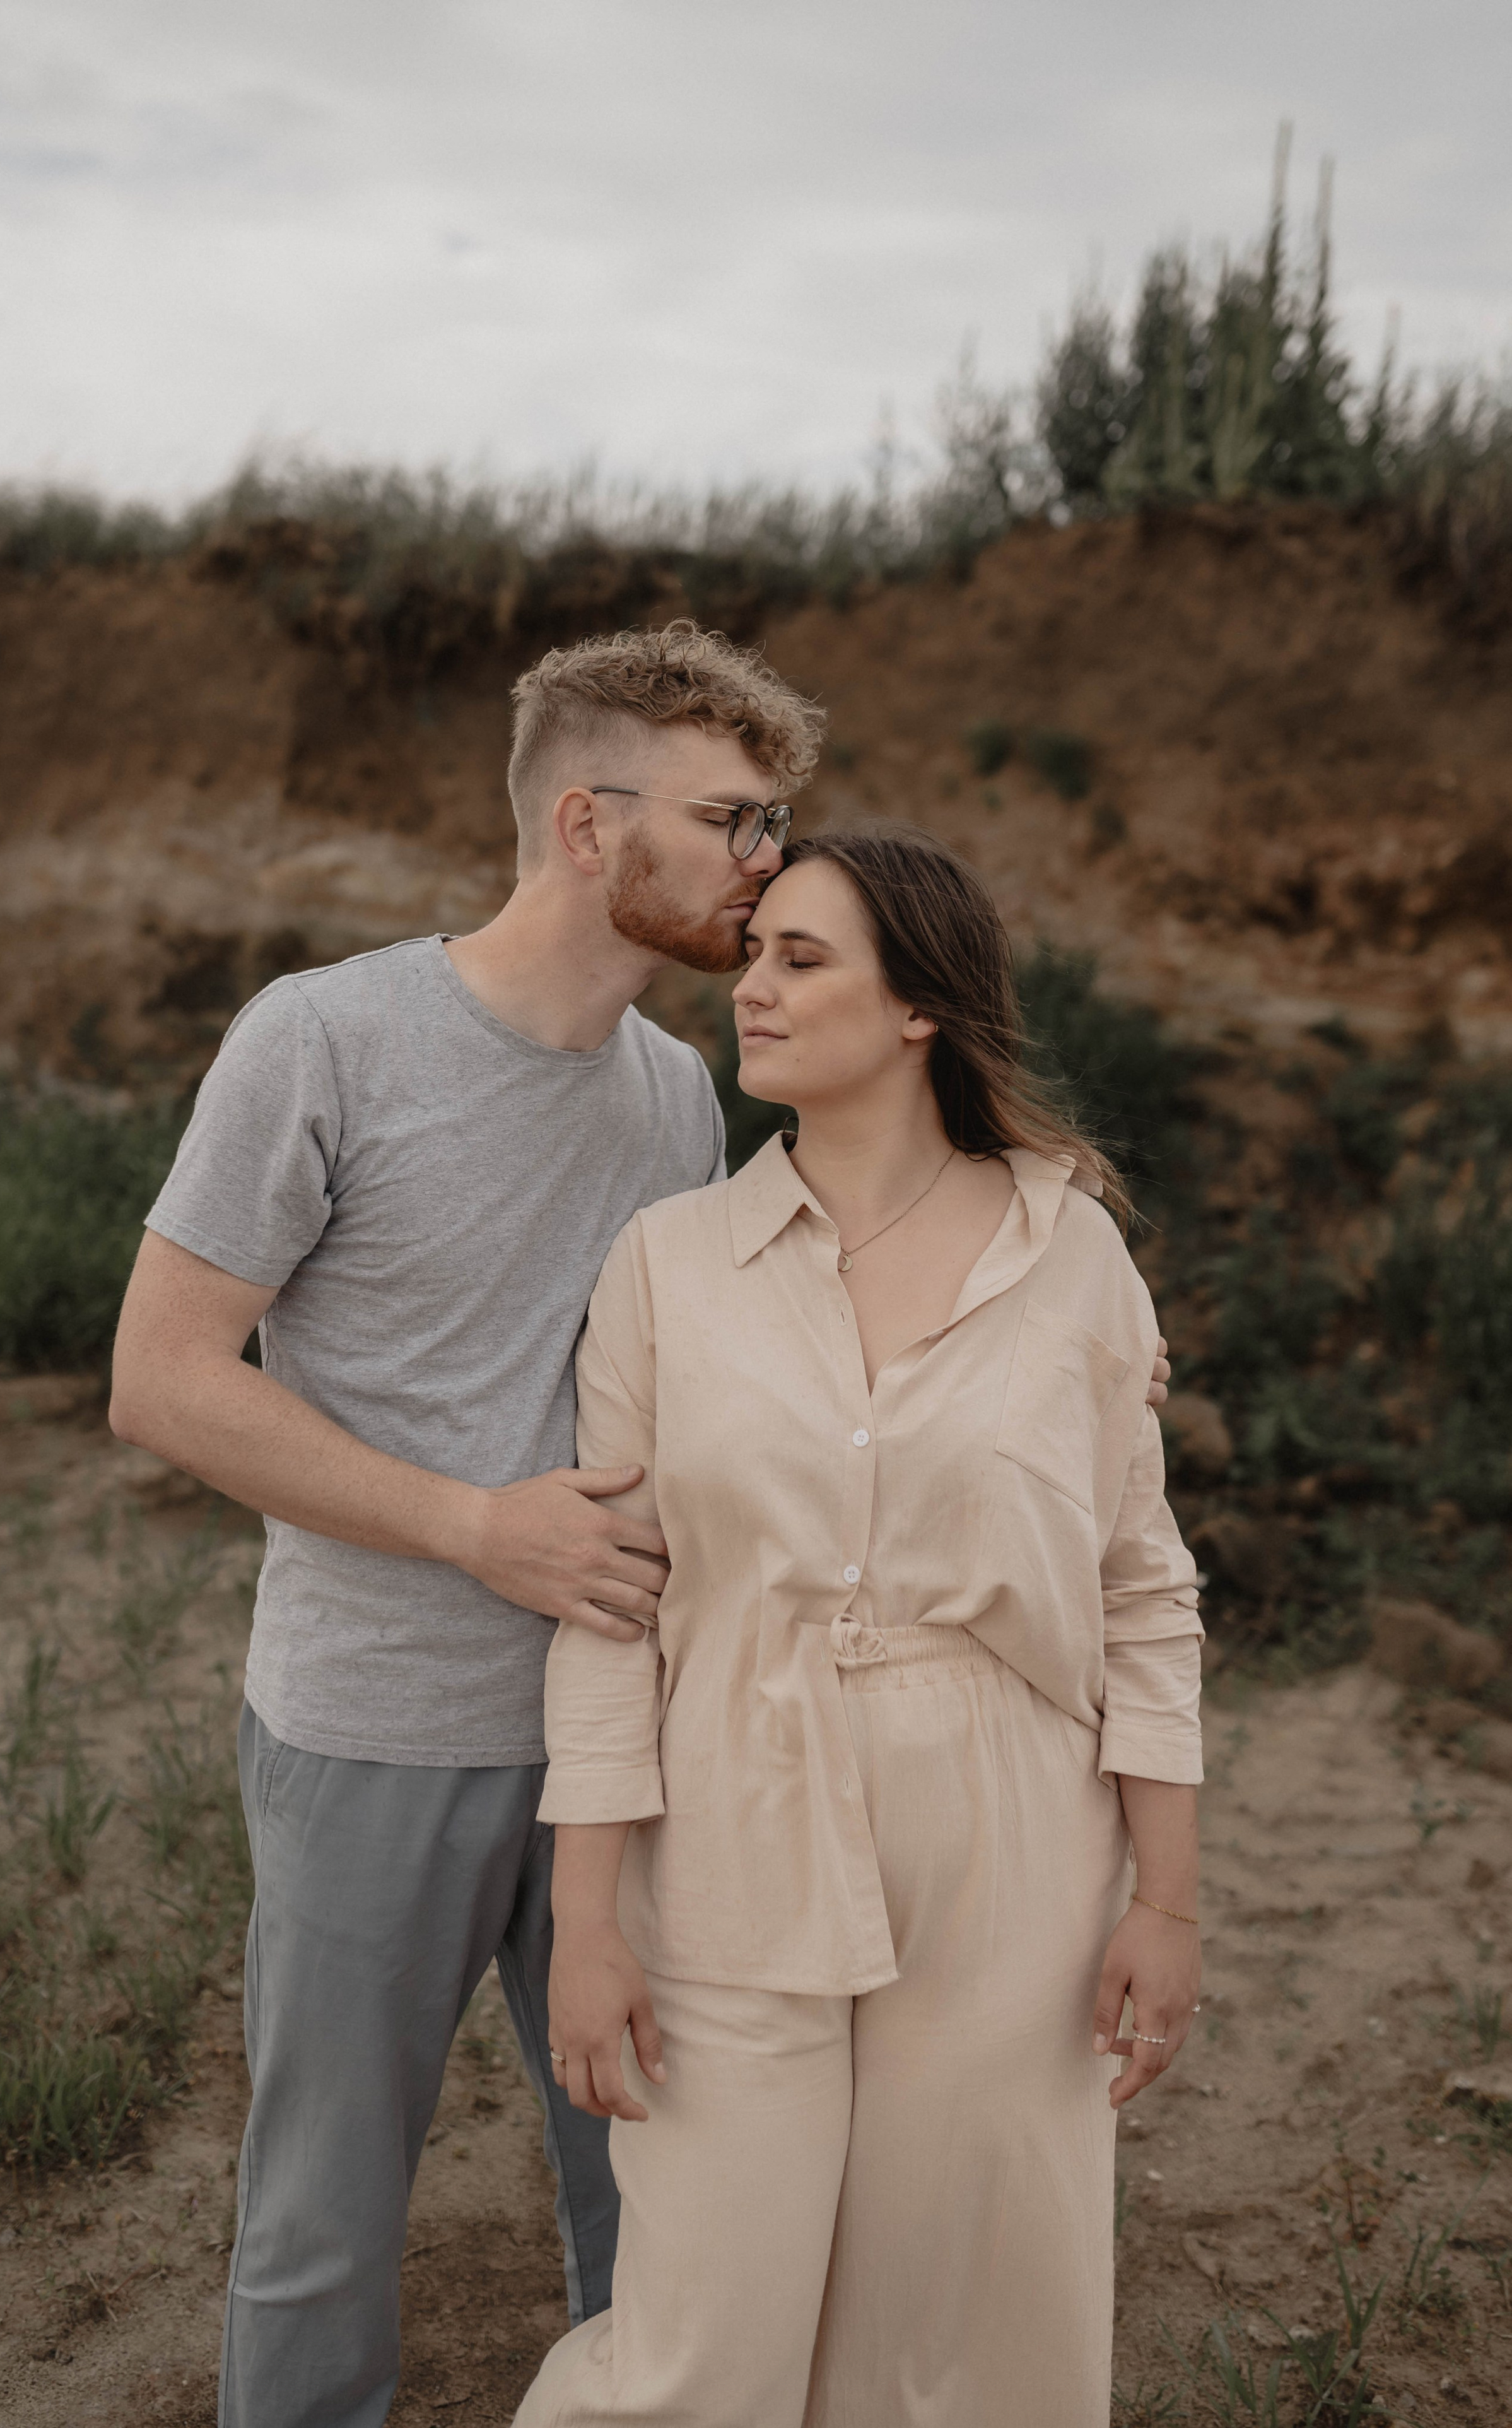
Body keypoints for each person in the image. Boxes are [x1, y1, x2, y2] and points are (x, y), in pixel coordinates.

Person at [107, 620, 828, 2428]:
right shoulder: (327, 1039)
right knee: (326, 2220)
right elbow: (164, 1378)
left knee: (649, 2191)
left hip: (618, 1748)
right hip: (375, 1731)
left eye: (774, 827)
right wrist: (468, 1528)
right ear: (588, 826)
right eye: (735, 821)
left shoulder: (678, 1100)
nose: (769, 862)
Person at [519, 827, 1204, 2428]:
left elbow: (1138, 1589)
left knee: (968, 2323)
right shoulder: (667, 1263)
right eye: (754, 955)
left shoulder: (1070, 1250)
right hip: (730, 1807)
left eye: (798, 959)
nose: (747, 987)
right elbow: (614, 1612)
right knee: (699, 2329)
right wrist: (590, 1920)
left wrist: (1164, 1900)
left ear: (919, 1009)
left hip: (1013, 1828)